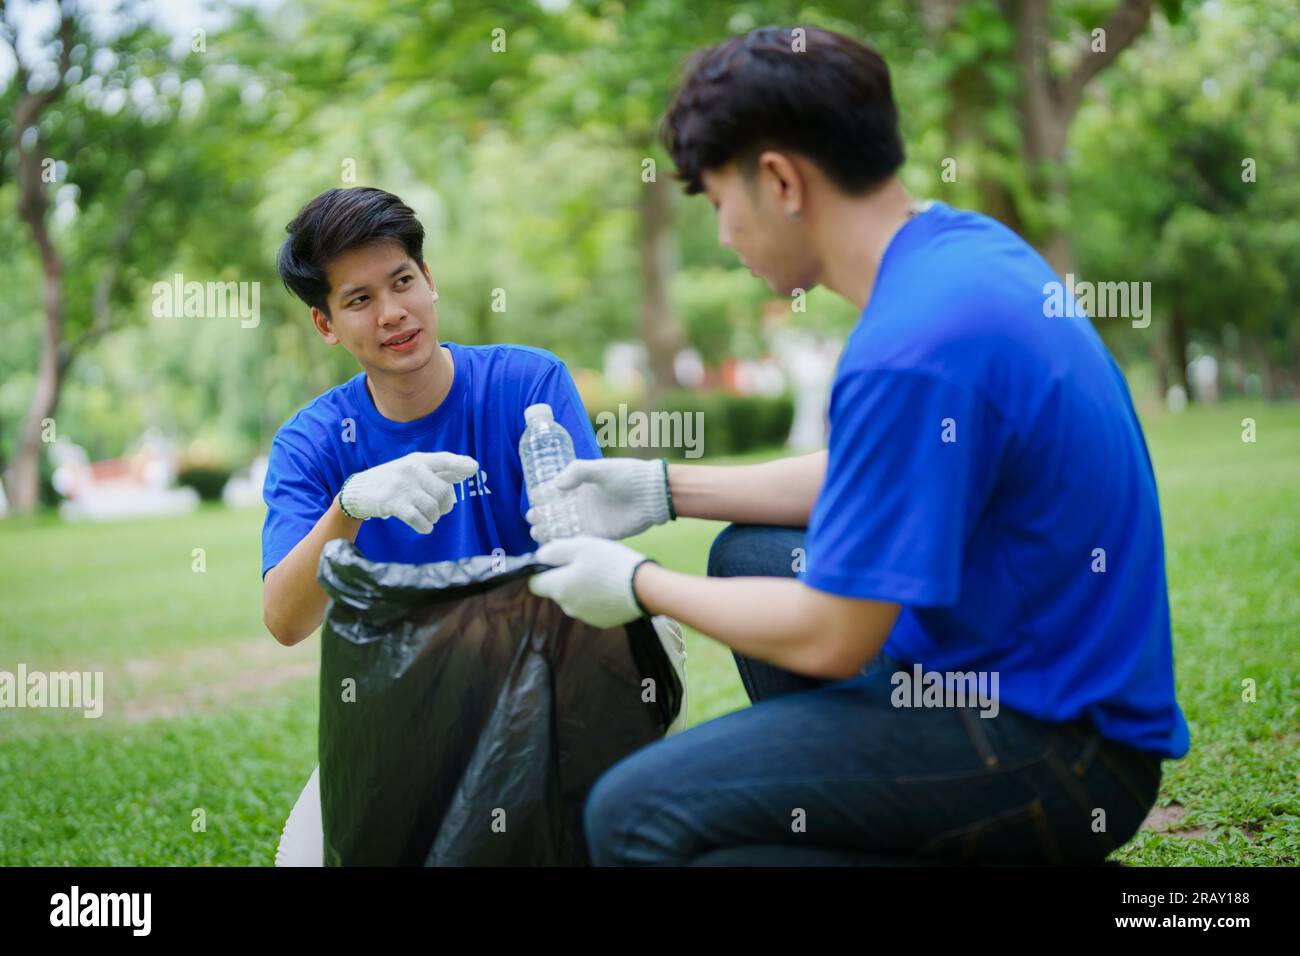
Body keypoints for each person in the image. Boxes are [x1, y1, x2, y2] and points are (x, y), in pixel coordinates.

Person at [528, 25, 1190, 866]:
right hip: (1024, 678)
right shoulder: (960, 250)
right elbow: (878, 474)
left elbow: (832, 632)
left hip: (1053, 743)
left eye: (719, 200)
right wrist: (665, 489)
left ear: (779, 180)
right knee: (753, 555)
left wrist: (638, 582)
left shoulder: (910, 345)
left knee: (631, 813)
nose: (726, 234)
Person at [261, 186, 607, 864]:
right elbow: (285, 619)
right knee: (304, 859)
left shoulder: (528, 383)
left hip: (557, 673)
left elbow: (593, 560)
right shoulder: (312, 443)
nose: (393, 313)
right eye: (359, 300)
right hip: (411, 701)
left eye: (402, 282)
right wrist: (348, 509)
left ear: (430, 281)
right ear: (326, 325)